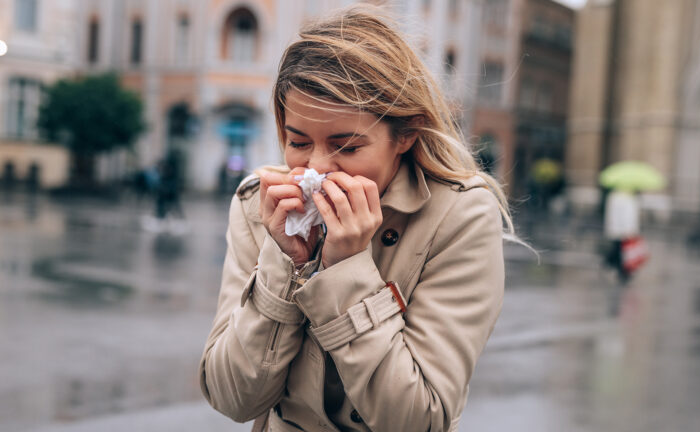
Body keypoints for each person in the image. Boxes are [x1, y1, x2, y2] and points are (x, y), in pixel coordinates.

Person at [199, 7, 519, 431]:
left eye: (346, 147)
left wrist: (348, 269)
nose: (316, 168)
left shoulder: (460, 216)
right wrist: (284, 263)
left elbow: (418, 420)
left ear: (405, 135)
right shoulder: (259, 204)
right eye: (297, 142)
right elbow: (232, 397)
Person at [603, 187, 640, 284]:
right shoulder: (629, 199)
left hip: (616, 230)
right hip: (625, 232)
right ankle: (620, 270)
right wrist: (630, 231)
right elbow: (630, 218)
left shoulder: (613, 197)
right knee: (623, 253)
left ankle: (611, 264)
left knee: (619, 250)